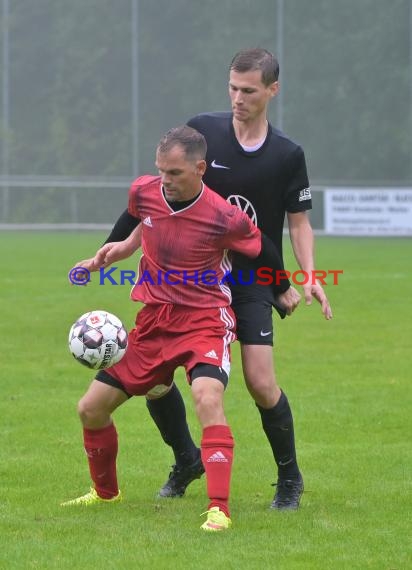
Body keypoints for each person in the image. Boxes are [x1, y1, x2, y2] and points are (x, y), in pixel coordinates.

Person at [86, 48, 332, 511]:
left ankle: (289, 479)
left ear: (272, 91)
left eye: (249, 90)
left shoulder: (287, 154)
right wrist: (113, 247)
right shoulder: (204, 130)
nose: (238, 98)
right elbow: (150, 201)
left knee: (260, 381)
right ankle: (186, 459)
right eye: (233, 88)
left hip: (254, 274)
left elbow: (298, 222)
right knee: (155, 374)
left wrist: (305, 275)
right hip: (191, 279)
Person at [63, 125, 301, 532]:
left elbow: (263, 248)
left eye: (174, 173)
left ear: (200, 168)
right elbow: (138, 217)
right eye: (160, 171)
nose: (165, 181)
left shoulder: (224, 215)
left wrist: (281, 288)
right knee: (90, 408)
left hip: (204, 321)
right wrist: (107, 254)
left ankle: (219, 508)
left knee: (207, 397)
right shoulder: (146, 191)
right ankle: (105, 493)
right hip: (154, 321)